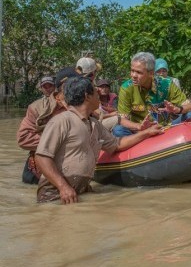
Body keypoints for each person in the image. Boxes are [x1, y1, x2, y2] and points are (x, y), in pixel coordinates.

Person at [34, 77, 163, 204]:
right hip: (53, 196)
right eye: (95, 92)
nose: (99, 94)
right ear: (87, 96)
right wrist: (63, 187)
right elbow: (41, 157)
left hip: (78, 192)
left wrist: (146, 133)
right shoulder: (61, 121)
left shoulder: (95, 124)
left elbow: (117, 144)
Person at [16, 68, 78, 184]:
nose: (81, 88)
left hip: (69, 169)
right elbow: (23, 138)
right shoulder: (36, 107)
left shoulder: (83, 107)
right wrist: (58, 142)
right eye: (77, 84)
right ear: (64, 86)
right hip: (38, 171)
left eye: (50, 85)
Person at [113, 52, 191, 137]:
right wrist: (139, 126)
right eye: (132, 70)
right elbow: (122, 119)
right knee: (118, 130)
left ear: (151, 73)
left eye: (139, 72)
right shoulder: (126, 88)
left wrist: (177, 109)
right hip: (141, 132)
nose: (133, 75)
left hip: (166, 127)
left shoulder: (166, 84)